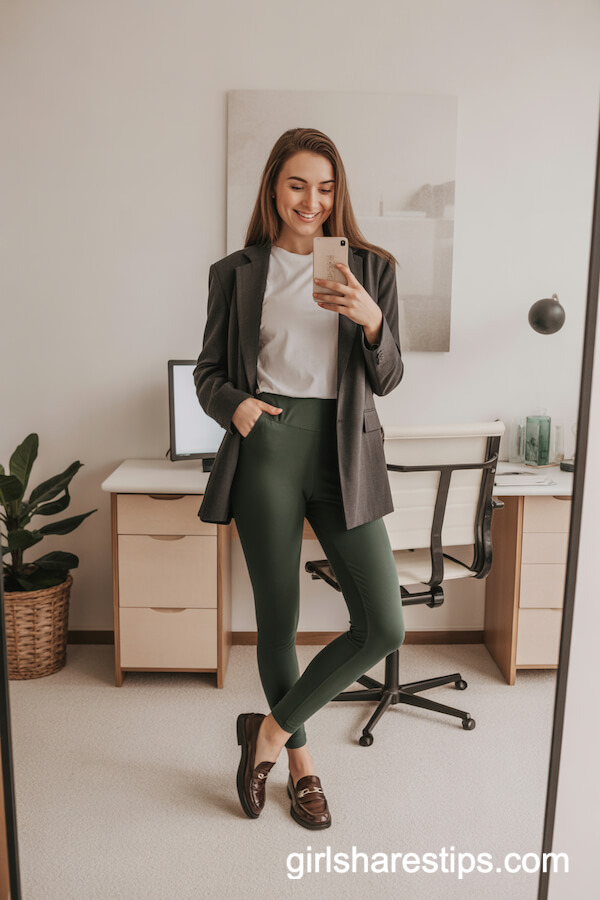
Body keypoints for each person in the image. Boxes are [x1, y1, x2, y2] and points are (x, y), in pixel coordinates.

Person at [193, 127, 405, 830]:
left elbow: (389, 376)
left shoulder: (371, 267)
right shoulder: (236, 271)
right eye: (296, 184)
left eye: (325, 187)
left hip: (345, 450)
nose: (311, 201)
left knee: (382, 624)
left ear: (337, 193)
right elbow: (208, 376)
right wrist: (240, 407)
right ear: (273, 188)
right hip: (269, 445)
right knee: (278, 621)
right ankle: (304, 769)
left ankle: (268, 735)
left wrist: (373, 323)